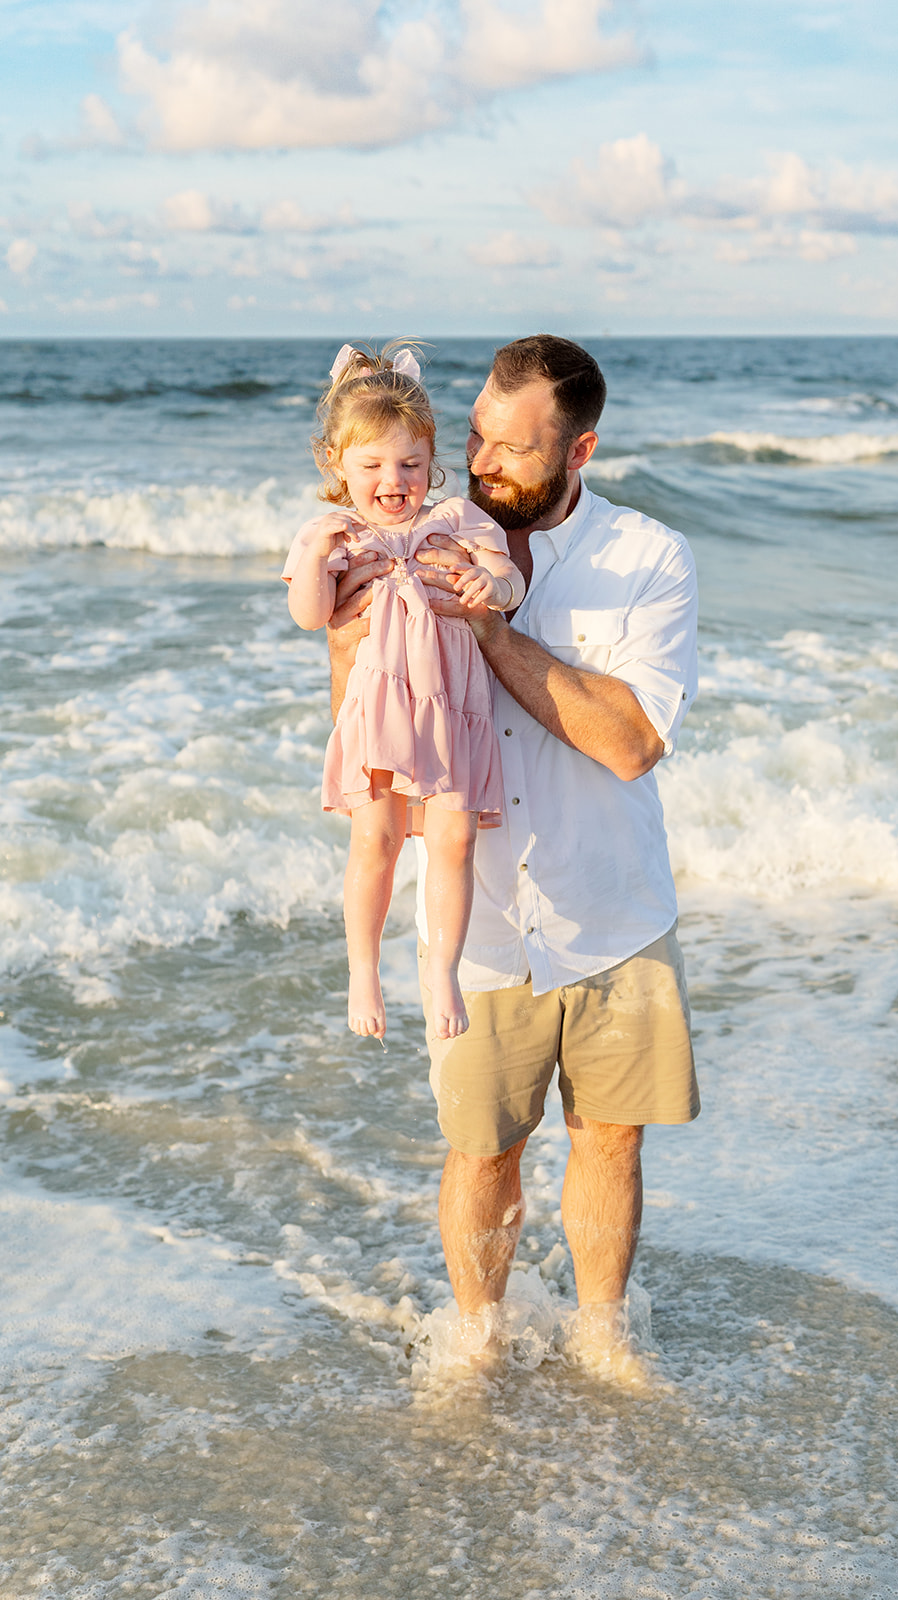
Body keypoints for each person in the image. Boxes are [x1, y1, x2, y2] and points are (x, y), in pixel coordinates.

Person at [327, 335, 699, 1369]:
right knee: (482, 1147)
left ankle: (602, 1337)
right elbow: (365, 733)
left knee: (610, 1136)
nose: (482, 466)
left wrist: (491, 631)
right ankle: (478, 1343)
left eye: (515, 450)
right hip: (480, 920)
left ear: (579, 451)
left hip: (612, 907)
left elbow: (630, 741)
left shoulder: (647, 558)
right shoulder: (421, 537)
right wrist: (348, 637)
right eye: (476, 438)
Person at [283, 342, 525, 1042]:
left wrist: (491, 584)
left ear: (430, 459)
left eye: (410, 464)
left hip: (452, 710)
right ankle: (362, 970)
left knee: (453, 839)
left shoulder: (456, 520)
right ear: (337, 463)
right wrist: (318, 561)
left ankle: (442, 971)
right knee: (377, 838)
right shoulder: (334, 533)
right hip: (378, 710)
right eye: (372, 466)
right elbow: (310, 615)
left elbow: (509, 581)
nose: (394, 481)